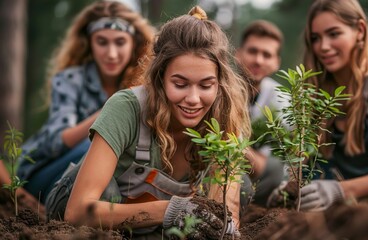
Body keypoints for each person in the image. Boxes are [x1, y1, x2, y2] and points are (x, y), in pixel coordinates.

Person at [47, 6, 249, 239]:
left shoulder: (225, 121)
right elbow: (78, 210)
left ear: (219, 84)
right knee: (107, 192)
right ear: (160, 78)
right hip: (80, 213)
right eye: (180, 84)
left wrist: (223, 227)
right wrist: (171, 210)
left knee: (241, 187)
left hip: (151, 229)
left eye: (205, 85)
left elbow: (225, 214)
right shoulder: (126, 107)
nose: (193, 99)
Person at [17, 0, 155, 204]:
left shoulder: (142, 84)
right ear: (89, 43)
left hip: (106, 176)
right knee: (96, 144)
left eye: (119, 42)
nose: (111, 53)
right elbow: (56, 141)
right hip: (44, 173)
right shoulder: (70, 79)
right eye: (102, 42)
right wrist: (109, 113)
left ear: (134, 43)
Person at [284, 0, 368, 211]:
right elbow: (310, 162)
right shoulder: (315, 87)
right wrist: (290, 189)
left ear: (360, 31)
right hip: (334, 215)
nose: (323, 47)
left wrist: (340, 190)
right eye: (315, 38)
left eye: (334, 34)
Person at [235, 20, 290, 206]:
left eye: (267, 55)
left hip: (259, 180)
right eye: (252, 51)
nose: (258, 60)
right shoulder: (216, 88)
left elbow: (266, 165)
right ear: (238, 54)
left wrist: (232, 142)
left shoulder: (282, 99)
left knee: (275, 169)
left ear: (276, 62)